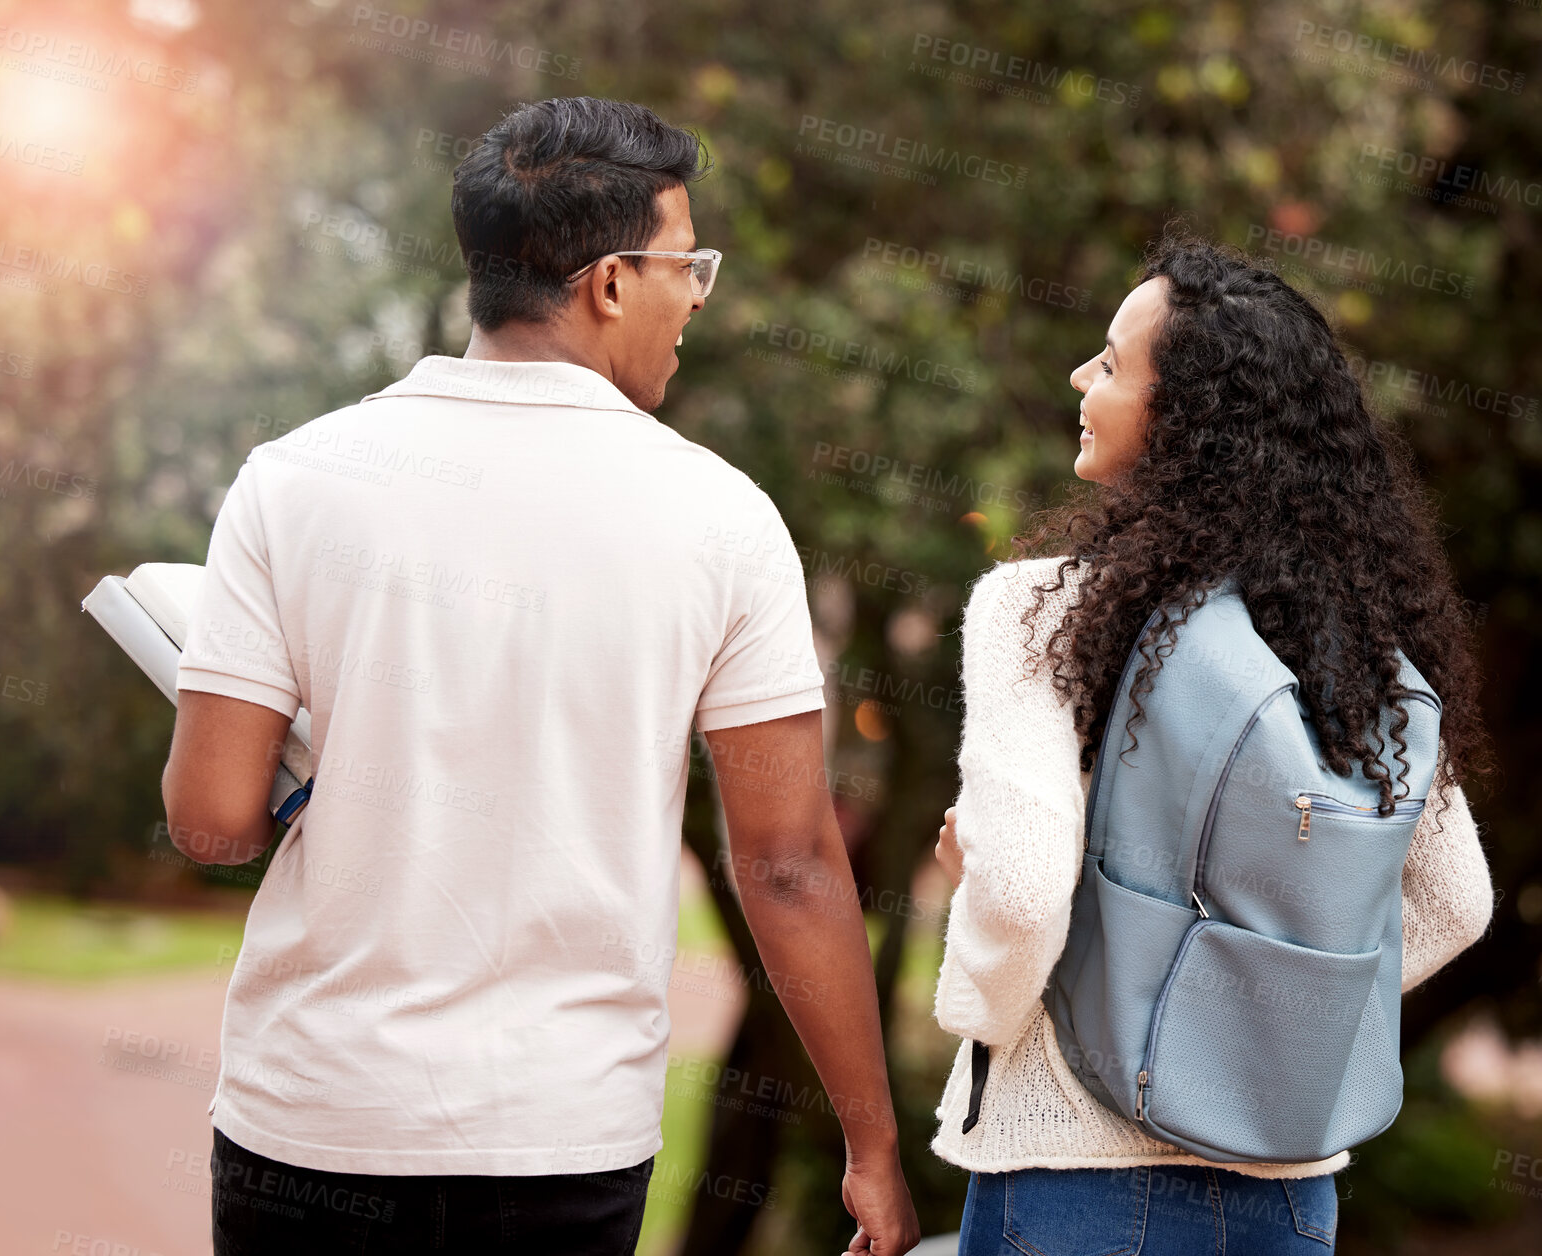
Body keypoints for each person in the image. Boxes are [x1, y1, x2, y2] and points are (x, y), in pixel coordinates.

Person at [161, 96, 918, 1256]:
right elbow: (786, 859)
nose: (699, 293)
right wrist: (869, 1146)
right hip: (557, 1141)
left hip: (309, 1125)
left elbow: (211, 822)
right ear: (609, 282)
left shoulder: (291, 479)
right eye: (686, 262)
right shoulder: (720, 516)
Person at [929, 232, 1496, 1254]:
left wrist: (978, 1003)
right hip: (1286, 1198)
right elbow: (1457, 903)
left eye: (1107, 362)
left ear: (1184, 421)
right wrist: (1259, 1016)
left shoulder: (1040, 611)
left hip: (1073, 1176)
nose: (1078, 376)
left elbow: (1016, 891)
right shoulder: (1352, 644)